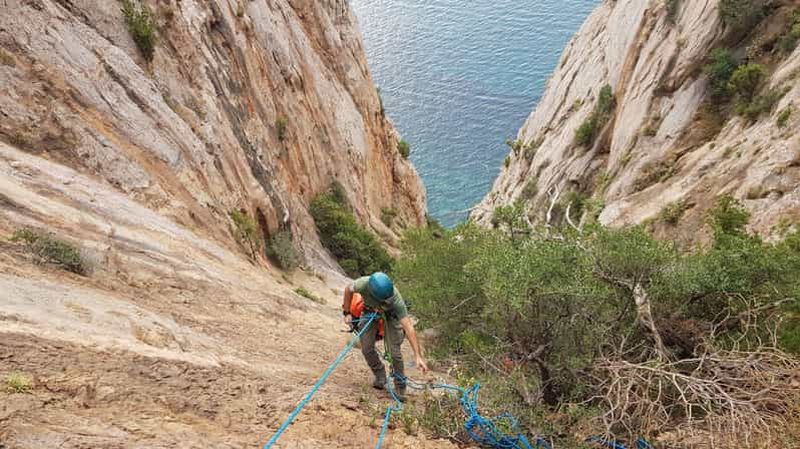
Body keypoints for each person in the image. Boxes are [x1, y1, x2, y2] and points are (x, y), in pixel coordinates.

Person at [342, 272, 429, 401]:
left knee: (395, 353)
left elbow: (408, 327)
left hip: (391, 317)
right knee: (366, 348)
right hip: (369, 312)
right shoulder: (363, 284)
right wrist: (347, 312)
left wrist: (417, 355)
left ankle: (400, 386)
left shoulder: (396, 299)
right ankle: (380, 375)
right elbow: (348, 290)